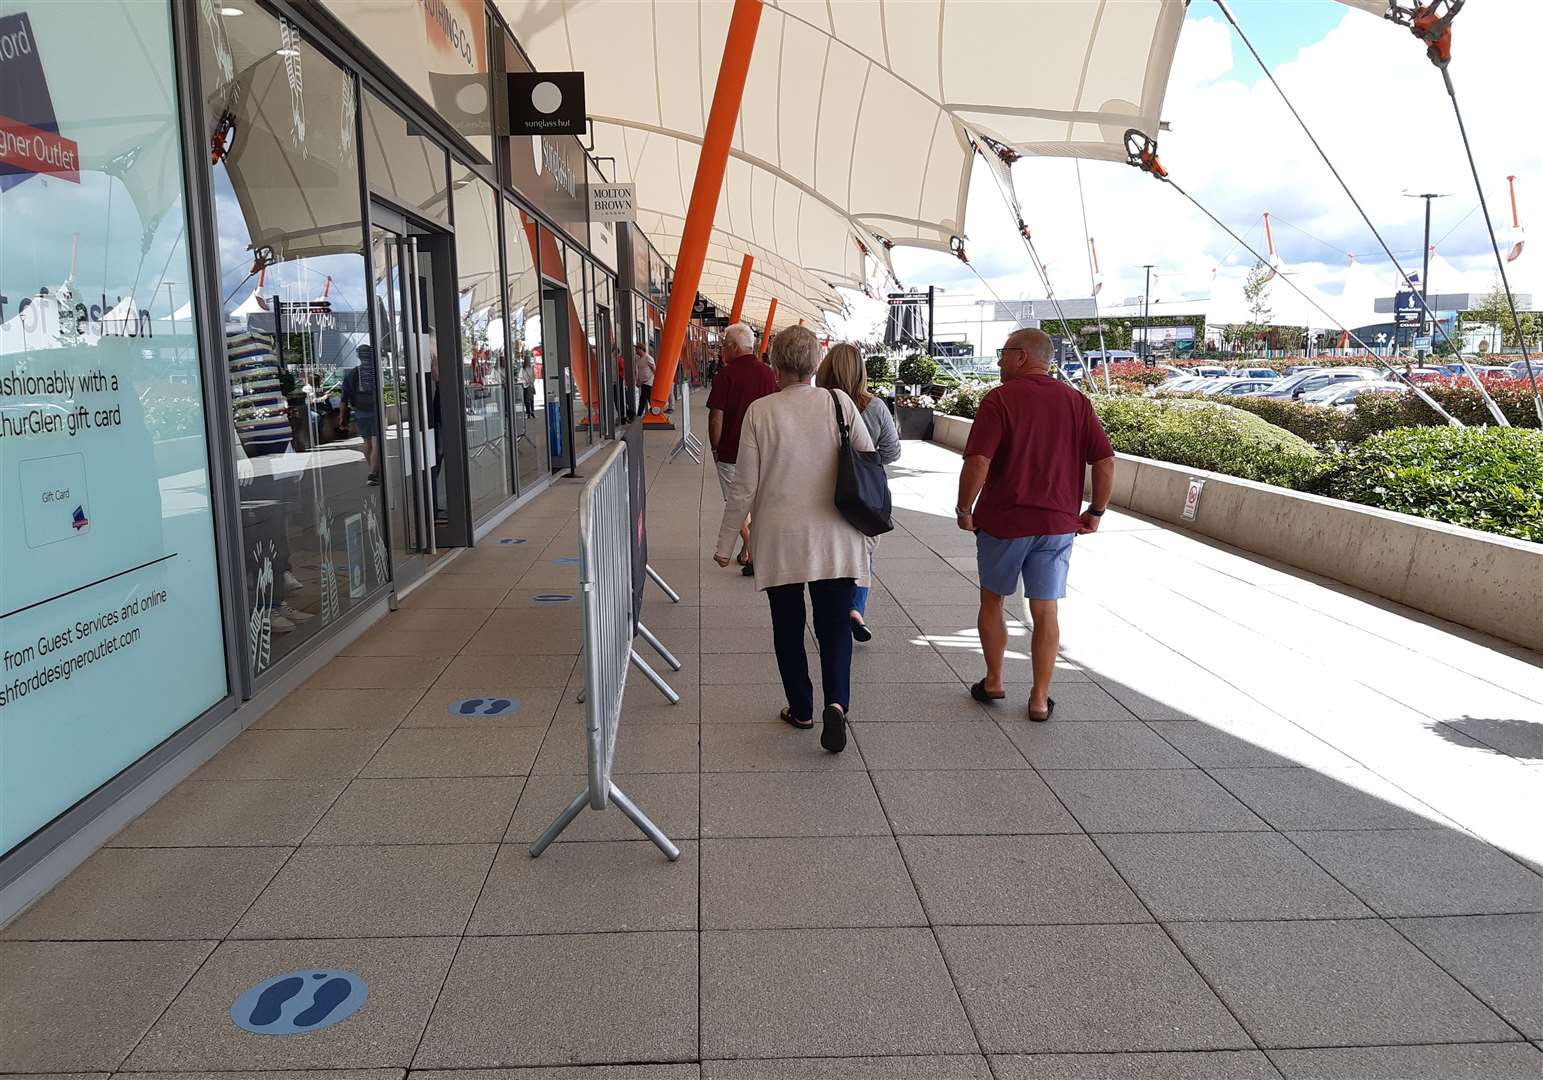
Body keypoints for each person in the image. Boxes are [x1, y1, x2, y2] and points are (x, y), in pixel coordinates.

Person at [714, 325, 876, 753]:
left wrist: (726, 544)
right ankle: (836, 705)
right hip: (836, 536)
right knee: (834, 627)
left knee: (787, 626)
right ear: (815, 363)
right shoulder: (840, 403)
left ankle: (801, 708)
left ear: (774, 363)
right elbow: (868, 456)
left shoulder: (760, 411)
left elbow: (743, 487)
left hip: (781, 539)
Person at [956, 327, 1115, 722]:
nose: (999, 361)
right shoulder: (1077, 401)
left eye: (1003, 353)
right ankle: (1040, 698)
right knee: (1046, 611)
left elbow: (978, 461)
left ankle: (994, 680)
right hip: (1058, 524)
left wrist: (964, 507)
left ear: (1022, 357)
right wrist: (1095, 511)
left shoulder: (1000, 399)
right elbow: (1106, 461)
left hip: (1004, 522)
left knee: (993, 601)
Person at [816, 342, 900, 640]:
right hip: (864, 495)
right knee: (863, 551)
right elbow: (892, 451)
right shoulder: (875, 406)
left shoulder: (816, 403)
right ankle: (855, 608)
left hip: (823, 489)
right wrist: (865, 459)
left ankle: (830, 607)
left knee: (828, 550)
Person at [708, 322, 779, 576]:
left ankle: (750, 548)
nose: (721, 350)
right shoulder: (769, 373)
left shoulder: (725, 376)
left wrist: (715, 447)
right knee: (759, 501)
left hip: (731, 451)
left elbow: (717, 417)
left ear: (733, 347)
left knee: (736, 502)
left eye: (723, 345)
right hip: (764, 449)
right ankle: (753, 549)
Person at [340, 343, 379, 483]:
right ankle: (373, 473)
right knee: (376, 443)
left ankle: (372, 472)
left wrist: (342, 418)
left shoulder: (352, 373)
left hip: (360, 413)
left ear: (358, 356)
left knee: (366, 442)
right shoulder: (377, 372)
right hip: (376, 411)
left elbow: (344, 398)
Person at [635, 342, 656, 416]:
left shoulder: (648, 358)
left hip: (649, 383)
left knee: (643, 400)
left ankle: (639, 416)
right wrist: (638, 381)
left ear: (641, 349)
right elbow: (639, 371)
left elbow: (654, 370)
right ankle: (656, 413)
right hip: (643, 383)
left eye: (637, 349)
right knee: (647, 400)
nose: (636, 351)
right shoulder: (639, 359)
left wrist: (644, 380)